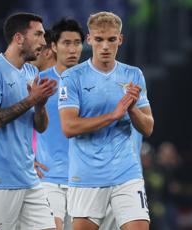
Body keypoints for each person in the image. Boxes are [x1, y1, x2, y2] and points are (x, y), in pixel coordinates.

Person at [58, 11, 154, 230]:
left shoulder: (133, 75)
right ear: (89, 40)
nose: (105, 46)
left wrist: (132, 108)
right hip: (87, 176)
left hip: (126, 173)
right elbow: (69, 127)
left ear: (120, 40)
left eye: (111, 39)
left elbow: (148, 127)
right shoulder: (73, 77)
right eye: (99, 39)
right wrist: (113, 115)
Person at [0, 12, 57, 230]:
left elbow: (41, 126)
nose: (43, 41)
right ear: (19, 38)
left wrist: (40, 105)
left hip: (28, 178)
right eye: (38, 34)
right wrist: (31, 99)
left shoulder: (31, 72)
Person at [34, 17, 84, 230]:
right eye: (66, 43)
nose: (72, 49)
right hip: (49, 179)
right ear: (53, 47)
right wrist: (26, 159)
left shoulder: (94, 80)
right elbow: (17, 124)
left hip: (85, 180)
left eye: (77, 43)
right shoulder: (39, 82)